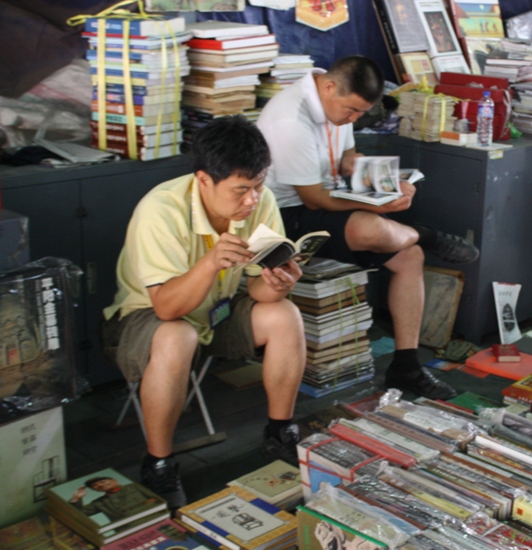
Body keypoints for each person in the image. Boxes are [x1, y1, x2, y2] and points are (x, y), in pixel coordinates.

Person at [102, 116, 306, 509]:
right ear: (204, 180)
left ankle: (280, 432)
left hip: (217, 311)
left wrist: (279, 282)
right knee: (179, 334)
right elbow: (165, 307)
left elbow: (260, 290)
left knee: (284, 314)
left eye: (259, 186)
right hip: (143, 320)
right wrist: (210, 263)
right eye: (241, 190)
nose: (252, 200)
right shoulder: (160, 209)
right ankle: (158, 462)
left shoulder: (259, 202)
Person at [256, 55, 479, 401]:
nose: (355, 119)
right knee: (370, 229)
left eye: (361, 113)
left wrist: (389, 184)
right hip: (282, 216)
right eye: (352, 111)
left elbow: (348, 161)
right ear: (329, 87)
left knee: (410, 256)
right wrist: (378, 205)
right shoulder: (290, 118)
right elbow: (314, 200)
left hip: (323, 199)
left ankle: (406, 366)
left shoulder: (338, 102)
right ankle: (428, 233)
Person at [69, 476, 158, 522]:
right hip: (127, 530)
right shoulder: (98, 502)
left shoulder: (133, 486)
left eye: (102, 481)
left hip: (154, 519)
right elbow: (77, 515)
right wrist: (76, 498)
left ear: (115, 481)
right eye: (95, 486)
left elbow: (158, 498)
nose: (100, 485)